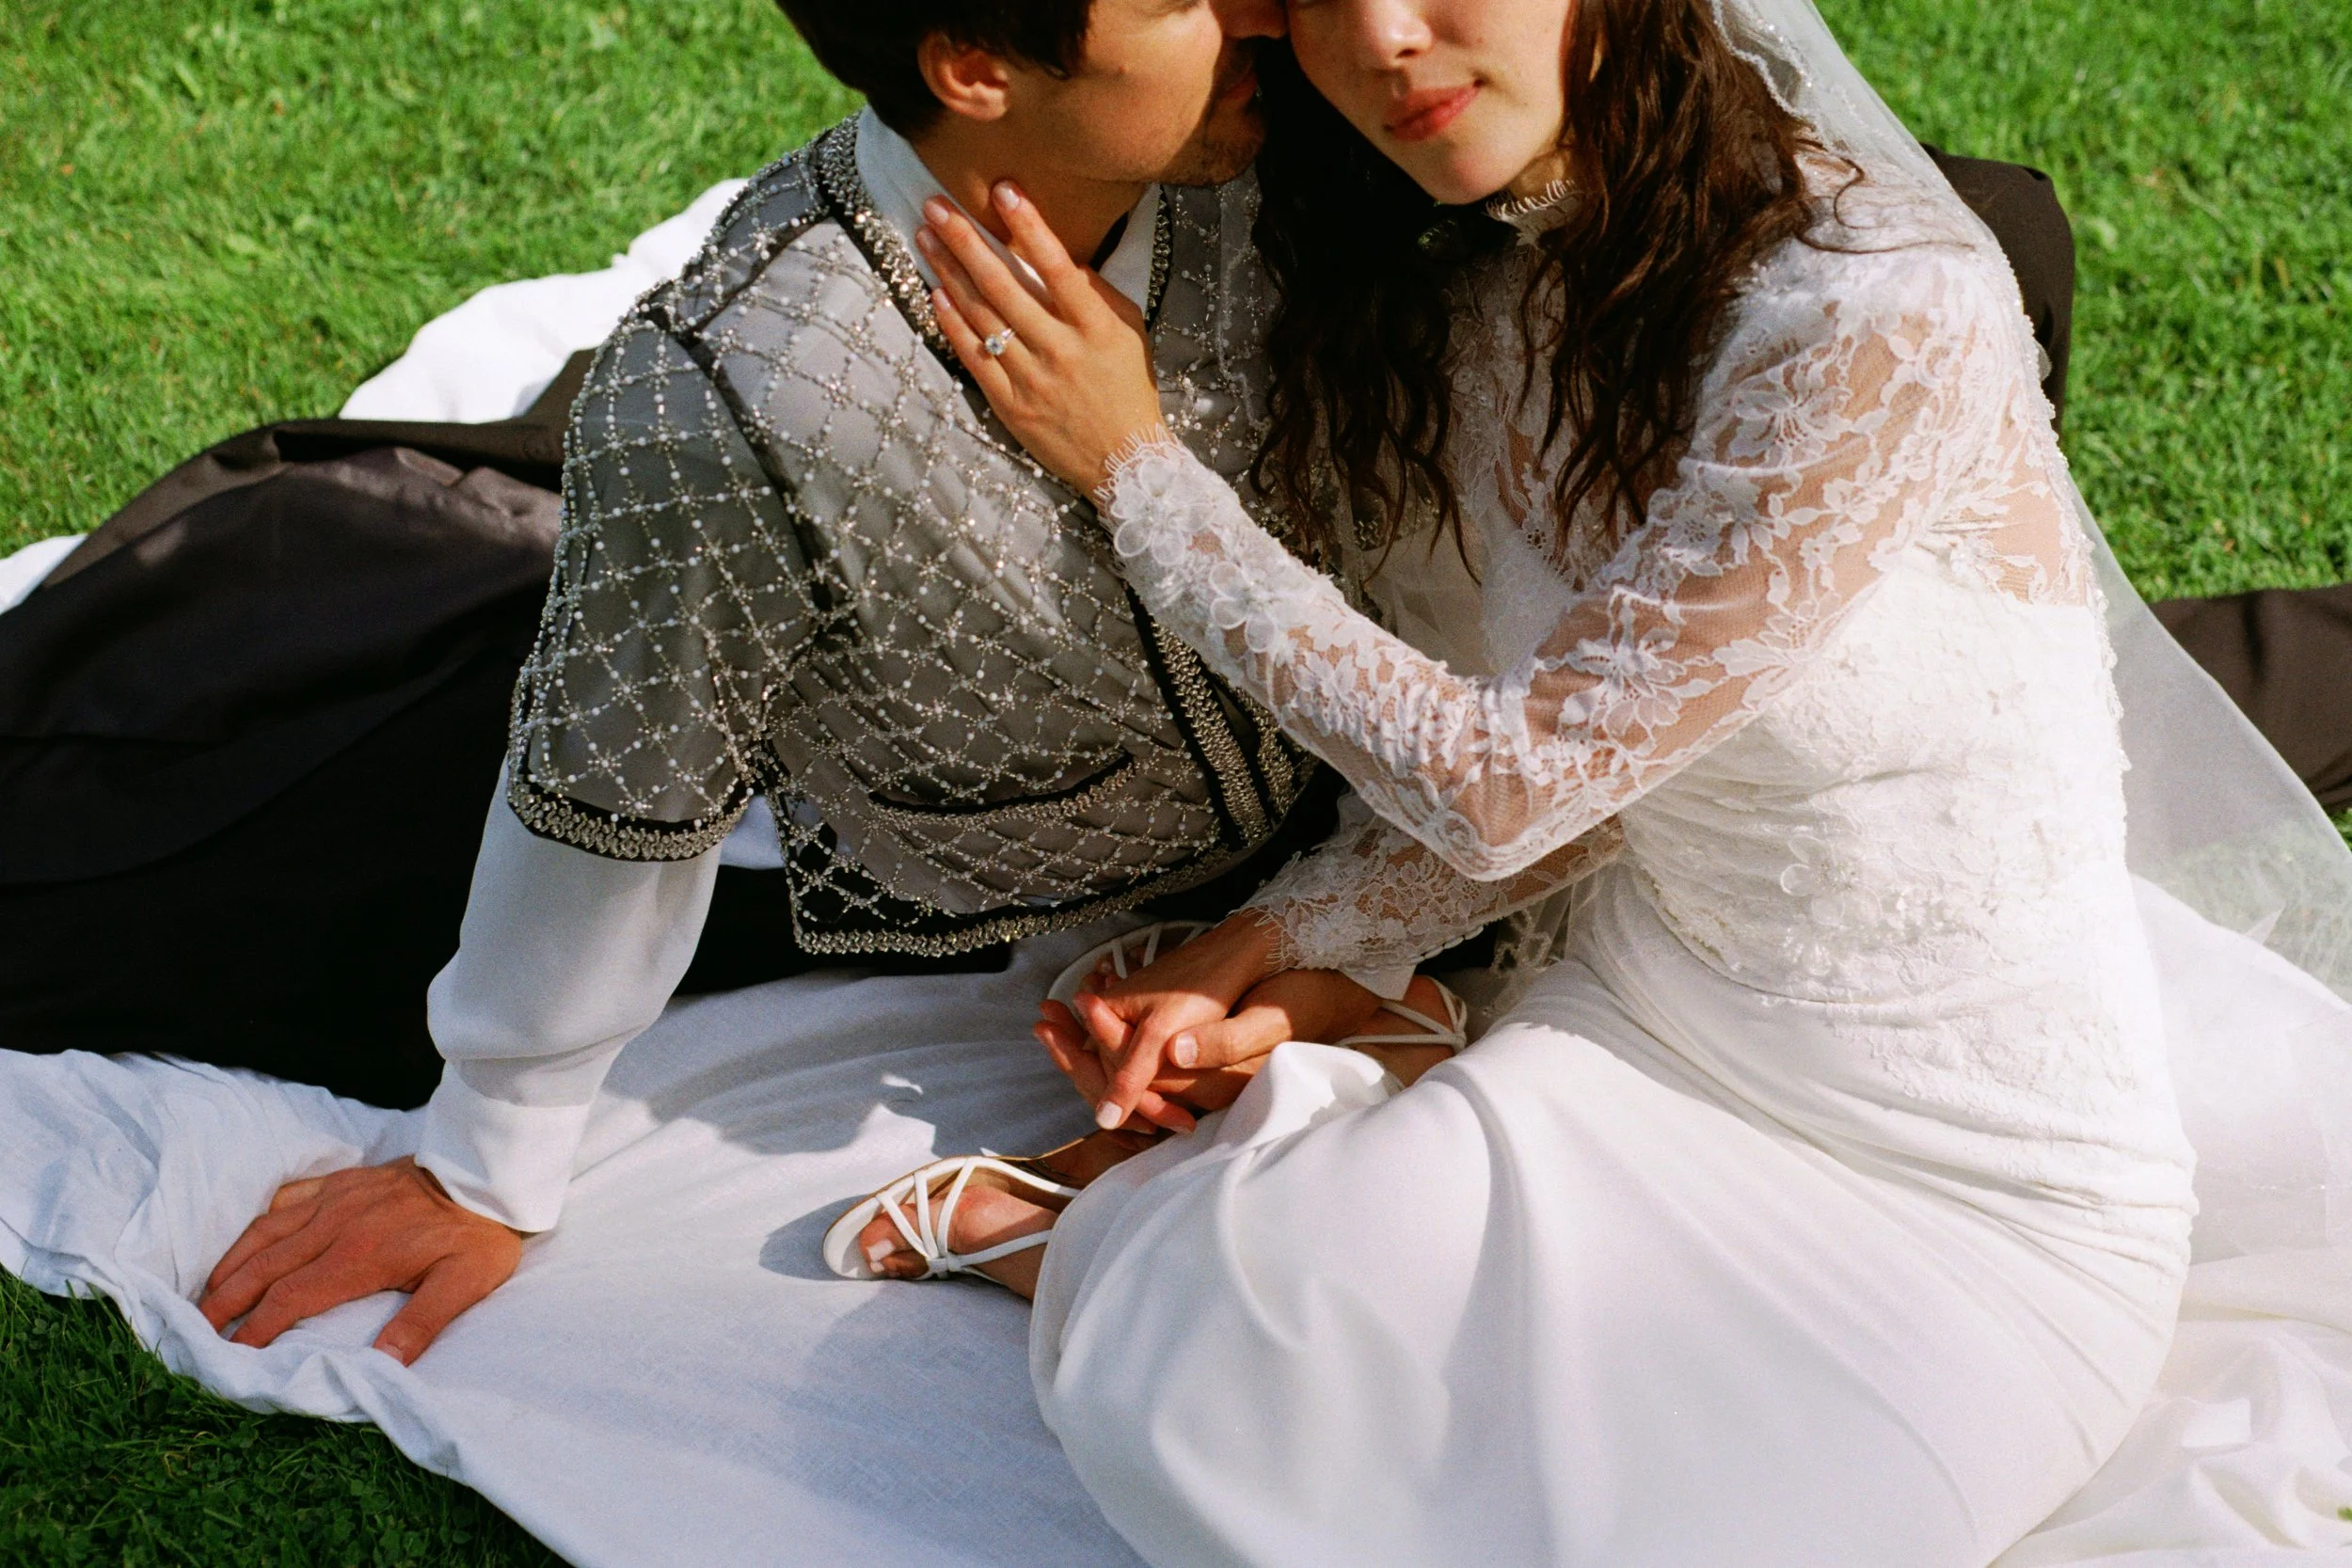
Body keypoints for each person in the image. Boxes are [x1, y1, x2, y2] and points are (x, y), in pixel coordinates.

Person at [848, 0, 2352, 1560]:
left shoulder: (1883, 312)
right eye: (1318, 2)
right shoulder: (1494, 292)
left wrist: (1140, 474)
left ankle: (1329, 1114)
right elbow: (1610, 778)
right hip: (1657, 1024)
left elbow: (1517, 782)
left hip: (1981, 1184)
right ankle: (1231, 1164)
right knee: (1232, 1373)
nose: (1387, 44)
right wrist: (1287, 936)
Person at [185, 0, 1455, 1367]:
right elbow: (617, 795)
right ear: (973, 66)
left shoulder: (1298, 144)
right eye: (1180, 0)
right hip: (972, 881)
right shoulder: (724, 403)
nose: (1268, 6)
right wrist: (486, 1158)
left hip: (1376, 821)